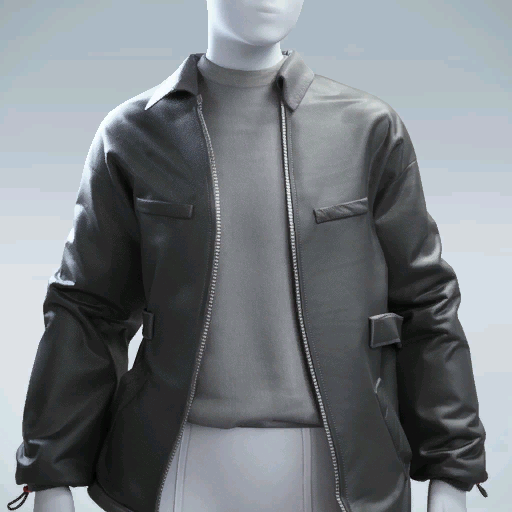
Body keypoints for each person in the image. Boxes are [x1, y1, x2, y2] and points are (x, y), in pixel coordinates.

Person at [9, 1, 488, 511]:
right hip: (174, 467)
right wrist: (50, 473)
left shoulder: (369, 128)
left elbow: (426, 300)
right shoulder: (133, 133)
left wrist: (452, 470)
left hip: (341, 472)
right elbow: (86, 307)